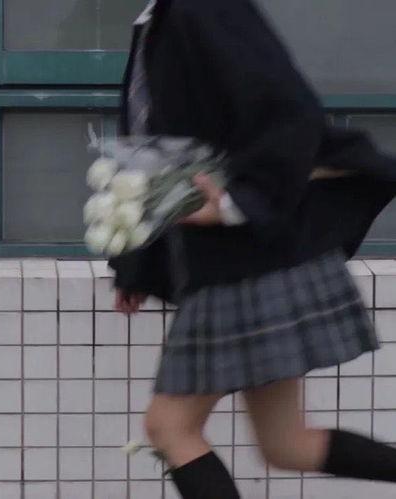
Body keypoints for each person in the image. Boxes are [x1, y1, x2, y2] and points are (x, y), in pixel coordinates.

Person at [109, 0, 396, 497]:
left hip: (247, 260)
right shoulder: (161, 19)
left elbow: (288, 108)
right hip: (250, 257)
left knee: (170, 427)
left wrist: (239, 203)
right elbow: (156, 157)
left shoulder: (199, 7)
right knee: (287, 445)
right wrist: (136, 266)